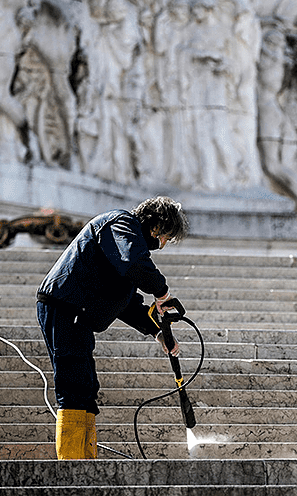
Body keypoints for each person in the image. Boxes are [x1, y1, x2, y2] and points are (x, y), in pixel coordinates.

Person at [36, 196, 189, 459]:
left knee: (85, 387)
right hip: (64, 307)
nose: (163, 245)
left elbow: (127, 302)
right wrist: (162, 292)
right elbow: (133, 262)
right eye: (166, 237)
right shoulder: (121, 223)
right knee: (73, 386)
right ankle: (72, 467)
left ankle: (85, 462)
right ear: (156, 226)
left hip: (78, 314)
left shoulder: (127, 245)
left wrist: (157, 332)